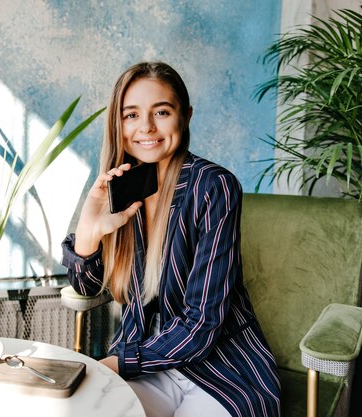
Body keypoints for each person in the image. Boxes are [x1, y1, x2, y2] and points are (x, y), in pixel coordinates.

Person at [61, 62, 281, 417]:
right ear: (118, 124)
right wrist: (89, 232)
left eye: (161, 112)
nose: (146, 127)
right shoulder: (121, 186)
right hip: (146, 366)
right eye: (131, 115)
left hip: (221, 372)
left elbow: (202, 322)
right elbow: (86, 290)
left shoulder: (213, 186)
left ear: (186, 116)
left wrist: (115, 364)